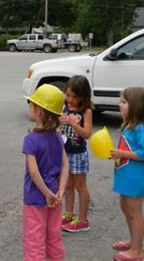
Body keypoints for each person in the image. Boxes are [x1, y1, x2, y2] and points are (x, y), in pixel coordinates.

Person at [110, 87, 144, 261]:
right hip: (128, 177)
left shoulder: (140, 130)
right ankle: (134, 242)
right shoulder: (130, 126)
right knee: (125, 207)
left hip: (136, 180)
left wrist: (122, 154)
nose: (119, 104)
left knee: (134, 213)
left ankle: (137, 252)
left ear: (136, 106)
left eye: (123, 102)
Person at [23, 84, 69, 261]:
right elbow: (65, 165)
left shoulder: (30, 140)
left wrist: (47, 194)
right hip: (55, 196)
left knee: (34, 239)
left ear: (39, 111)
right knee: (53, 236)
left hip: (36, 198)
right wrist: (60, 191)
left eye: (31, 104)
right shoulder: (57, 137)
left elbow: (34, 172)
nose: (29, 107)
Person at [59, 75, 93, 233]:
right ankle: (70, 214)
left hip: (78, 154)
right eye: (68, 95)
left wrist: (73, 124)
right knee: (68, 186)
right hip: (65, 153)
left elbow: (87, 134)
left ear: (83, 96)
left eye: (75, 96)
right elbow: (58, 128)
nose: (70, 99)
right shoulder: (64, 106)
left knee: (80, 186)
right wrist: (58, 122)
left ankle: (83, 219)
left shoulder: (85, 111)